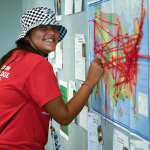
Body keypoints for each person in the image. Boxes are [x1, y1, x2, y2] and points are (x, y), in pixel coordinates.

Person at [0, 7, 104, 150]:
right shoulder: (37, 64)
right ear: (26, 35)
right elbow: (64, 117)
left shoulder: (13, 58)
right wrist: (91, 80)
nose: (52, 33)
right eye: (42, 27)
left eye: (54, 27)